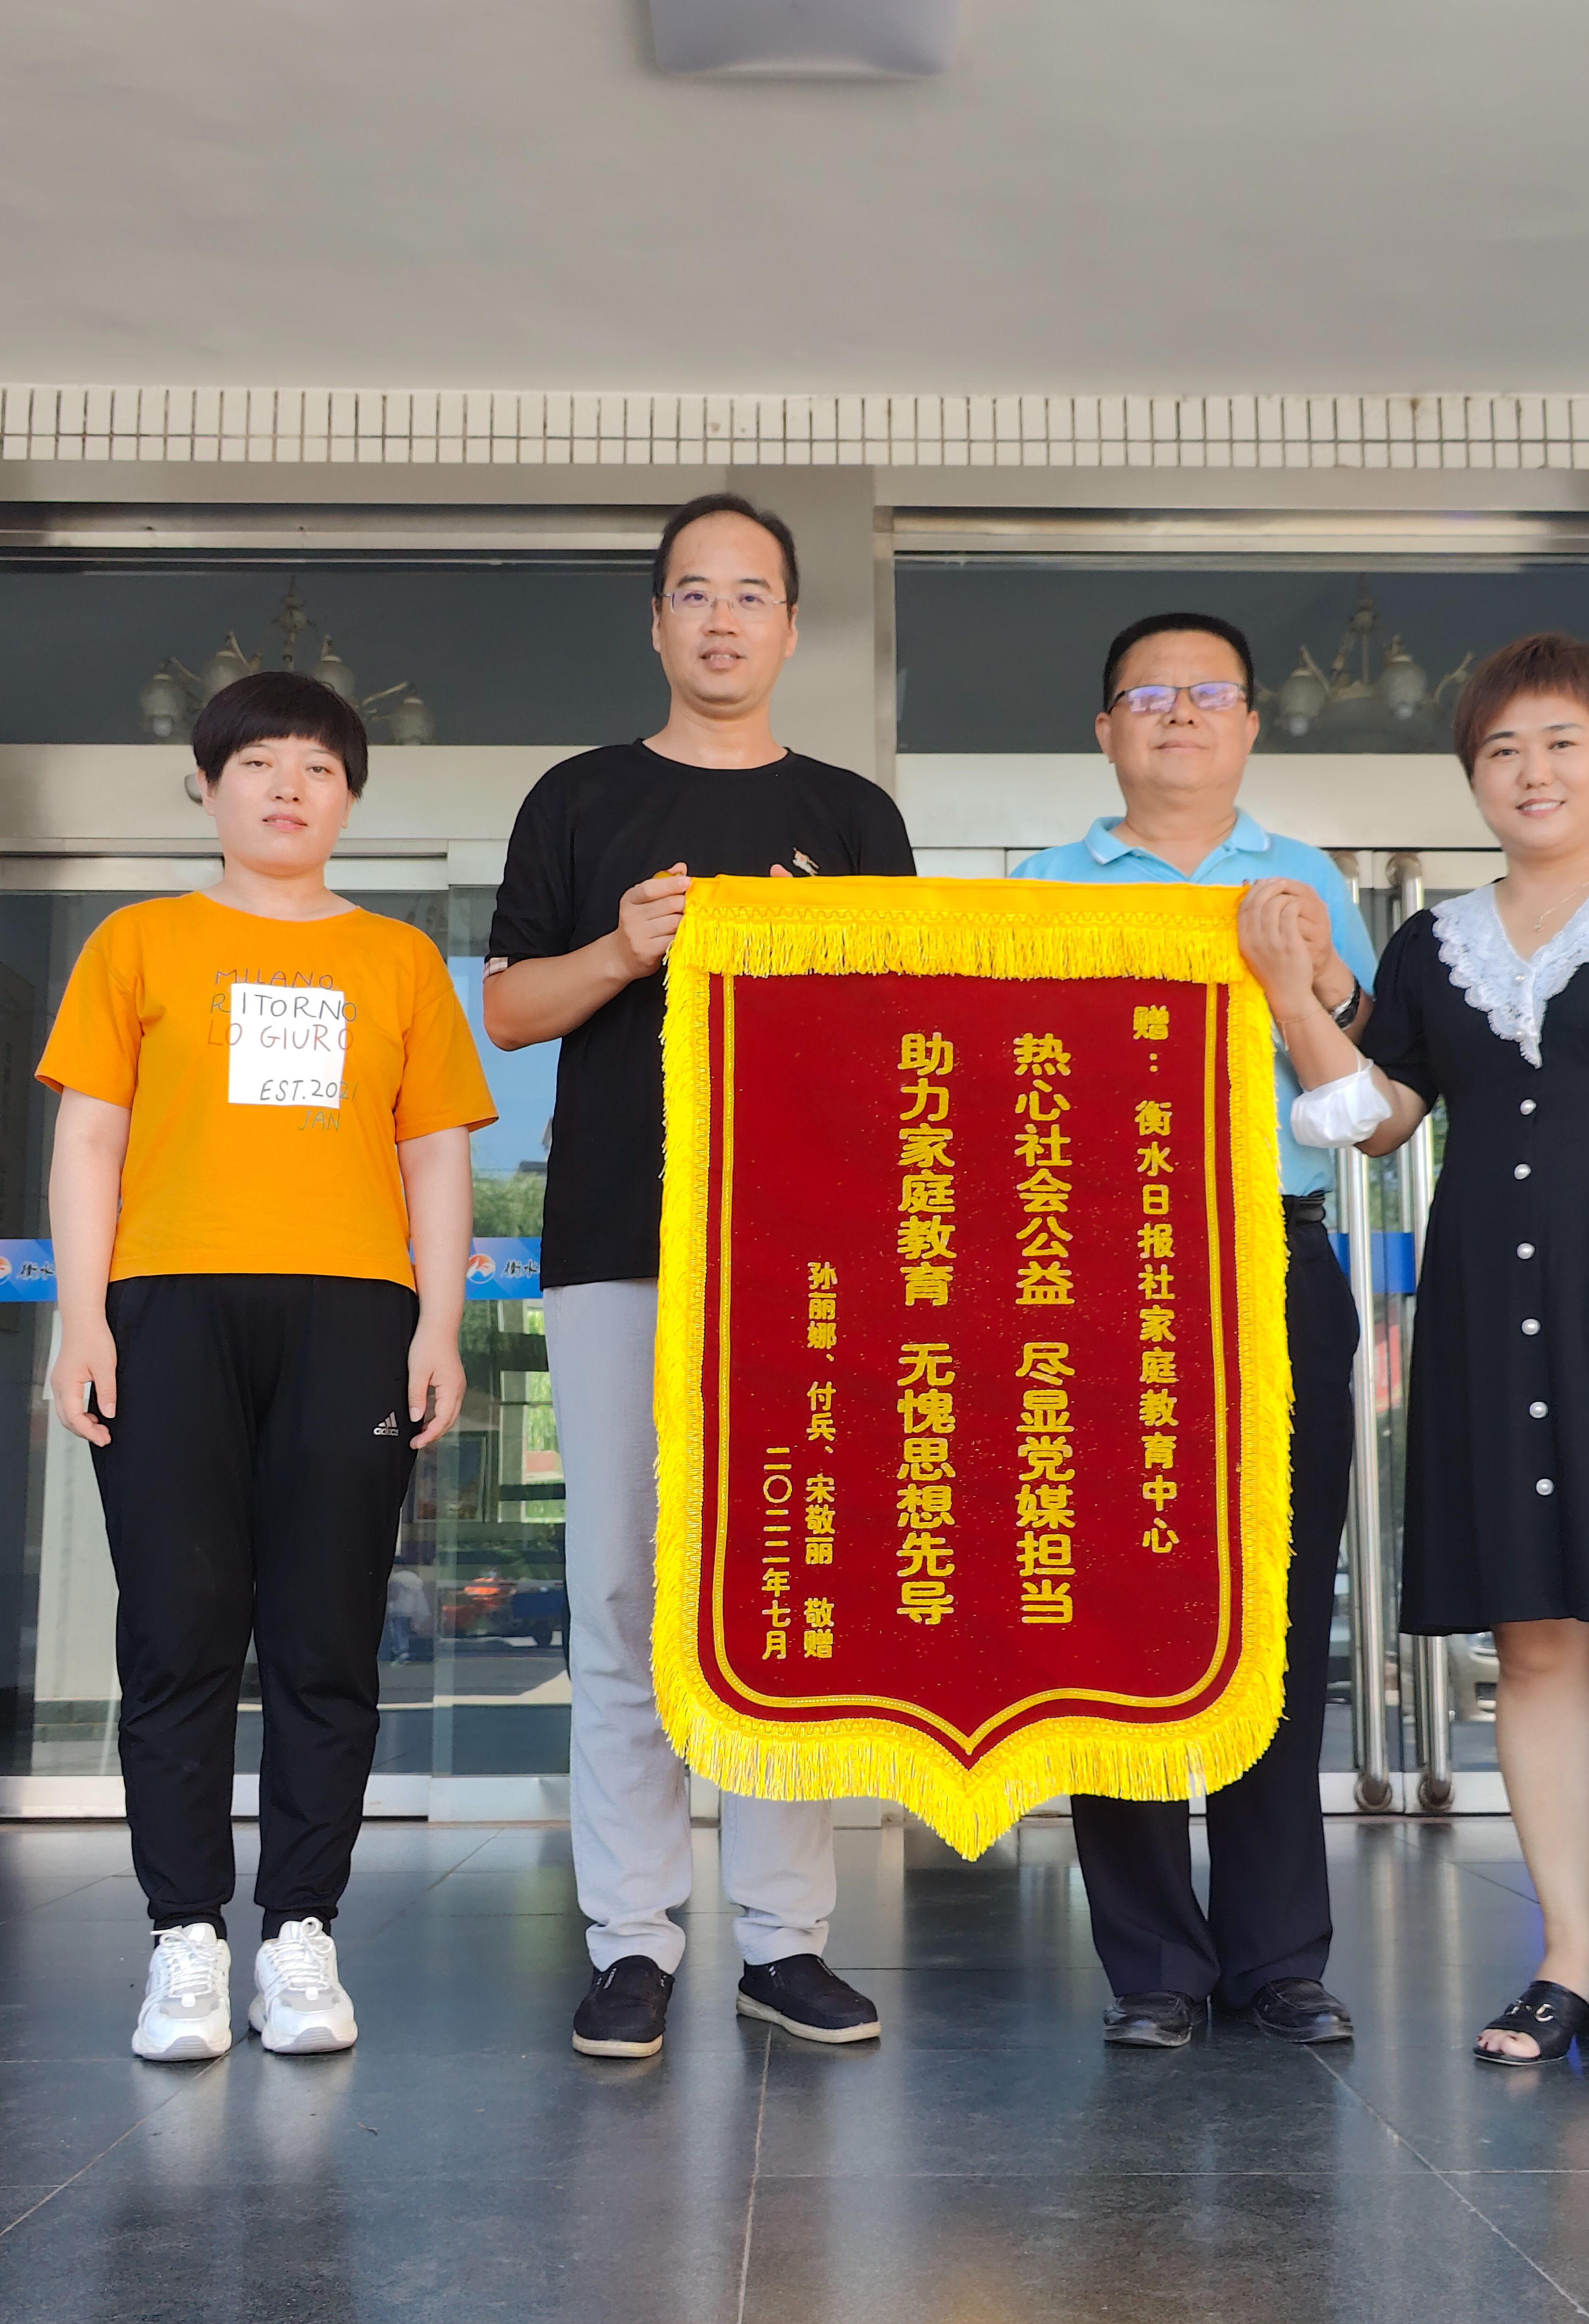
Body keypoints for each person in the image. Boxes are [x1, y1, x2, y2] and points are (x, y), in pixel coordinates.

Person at [1266, 632, 1589, 2090]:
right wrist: (1302, 996)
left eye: (1562, 741)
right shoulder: (1434, 944)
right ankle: (1579, 1958)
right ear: (1473, 779)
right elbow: (1381, 1117)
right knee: (1537, 1639)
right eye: (1501, 750)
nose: (1532, 771)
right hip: (1490, 1312)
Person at [482, 492, 915, 2061]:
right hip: (619, 1240)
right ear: (655, 622)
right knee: (622, 1589)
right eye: (694, 593)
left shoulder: (852, 816)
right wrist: (623, 949)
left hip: (808, 1262)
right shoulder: (580, 798)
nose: (723, 620)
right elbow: (509, 1010)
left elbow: (907, 1036)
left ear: (792, 628)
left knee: (789, 1585)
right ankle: (631, 1940)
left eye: (751, 595)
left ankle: (786, 1942)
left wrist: (823, 959)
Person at [40, 669, 496, 2064]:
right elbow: (90, 1141)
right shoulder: (137, 942)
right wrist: (83, 1318)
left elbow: (436, 1156)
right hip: (167, 1307)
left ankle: (302, 1932)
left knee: (324, 1635)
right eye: (258, 764)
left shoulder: (399, 961)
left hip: (352, 1312)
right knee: (177, 1630)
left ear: (350, 798)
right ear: (206, 785)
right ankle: (185, 1935)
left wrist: (435, 1324)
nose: (288, 787)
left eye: (318, 767)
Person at [1008, 612, 1372, 2051]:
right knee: (1117, 1609)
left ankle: (1280, 1958)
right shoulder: (1042, 887)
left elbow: (1363, 1084)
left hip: (1268, 1257)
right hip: (1095, 1270)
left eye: (1207, 693)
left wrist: (1314, 976)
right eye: (1147, 695)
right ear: (1105, 729)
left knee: (1274, 1604)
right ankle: (1153, 1962)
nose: (1178, 713)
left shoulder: (1305, 879)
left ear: (1251, 724)